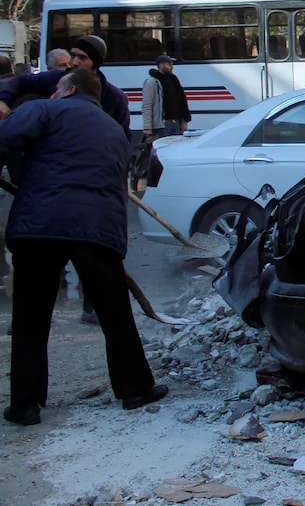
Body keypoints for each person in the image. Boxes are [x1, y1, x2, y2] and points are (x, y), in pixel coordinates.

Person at [0, 69, 167, 426]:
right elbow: (141, 170)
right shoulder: (114, 130)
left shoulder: (46, 109)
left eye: (58, 89)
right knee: (115, 313)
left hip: (40, 226)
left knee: (31, 318)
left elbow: (8, 137)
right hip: (97, 230)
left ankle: (26, 405)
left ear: (69, 88)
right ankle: (136, 388)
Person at [0, 35, 131, 142]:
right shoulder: (56, 77)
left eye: (82, 58)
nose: (75, 62)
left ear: (95, 62)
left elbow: (124, 139)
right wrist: (3, 100)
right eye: (73, 55)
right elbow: (20, 81)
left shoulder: (115, 98)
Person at [142, 55, 191, 140]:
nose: (172, 67)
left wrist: (184, 121)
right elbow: (147, 105)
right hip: (162, 124)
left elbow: (182, 102)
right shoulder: (152, 82)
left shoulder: (173, 80)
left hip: (176, 123)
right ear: (161, 65)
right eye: (169, 64)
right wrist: (147, 127)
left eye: (172, 64)